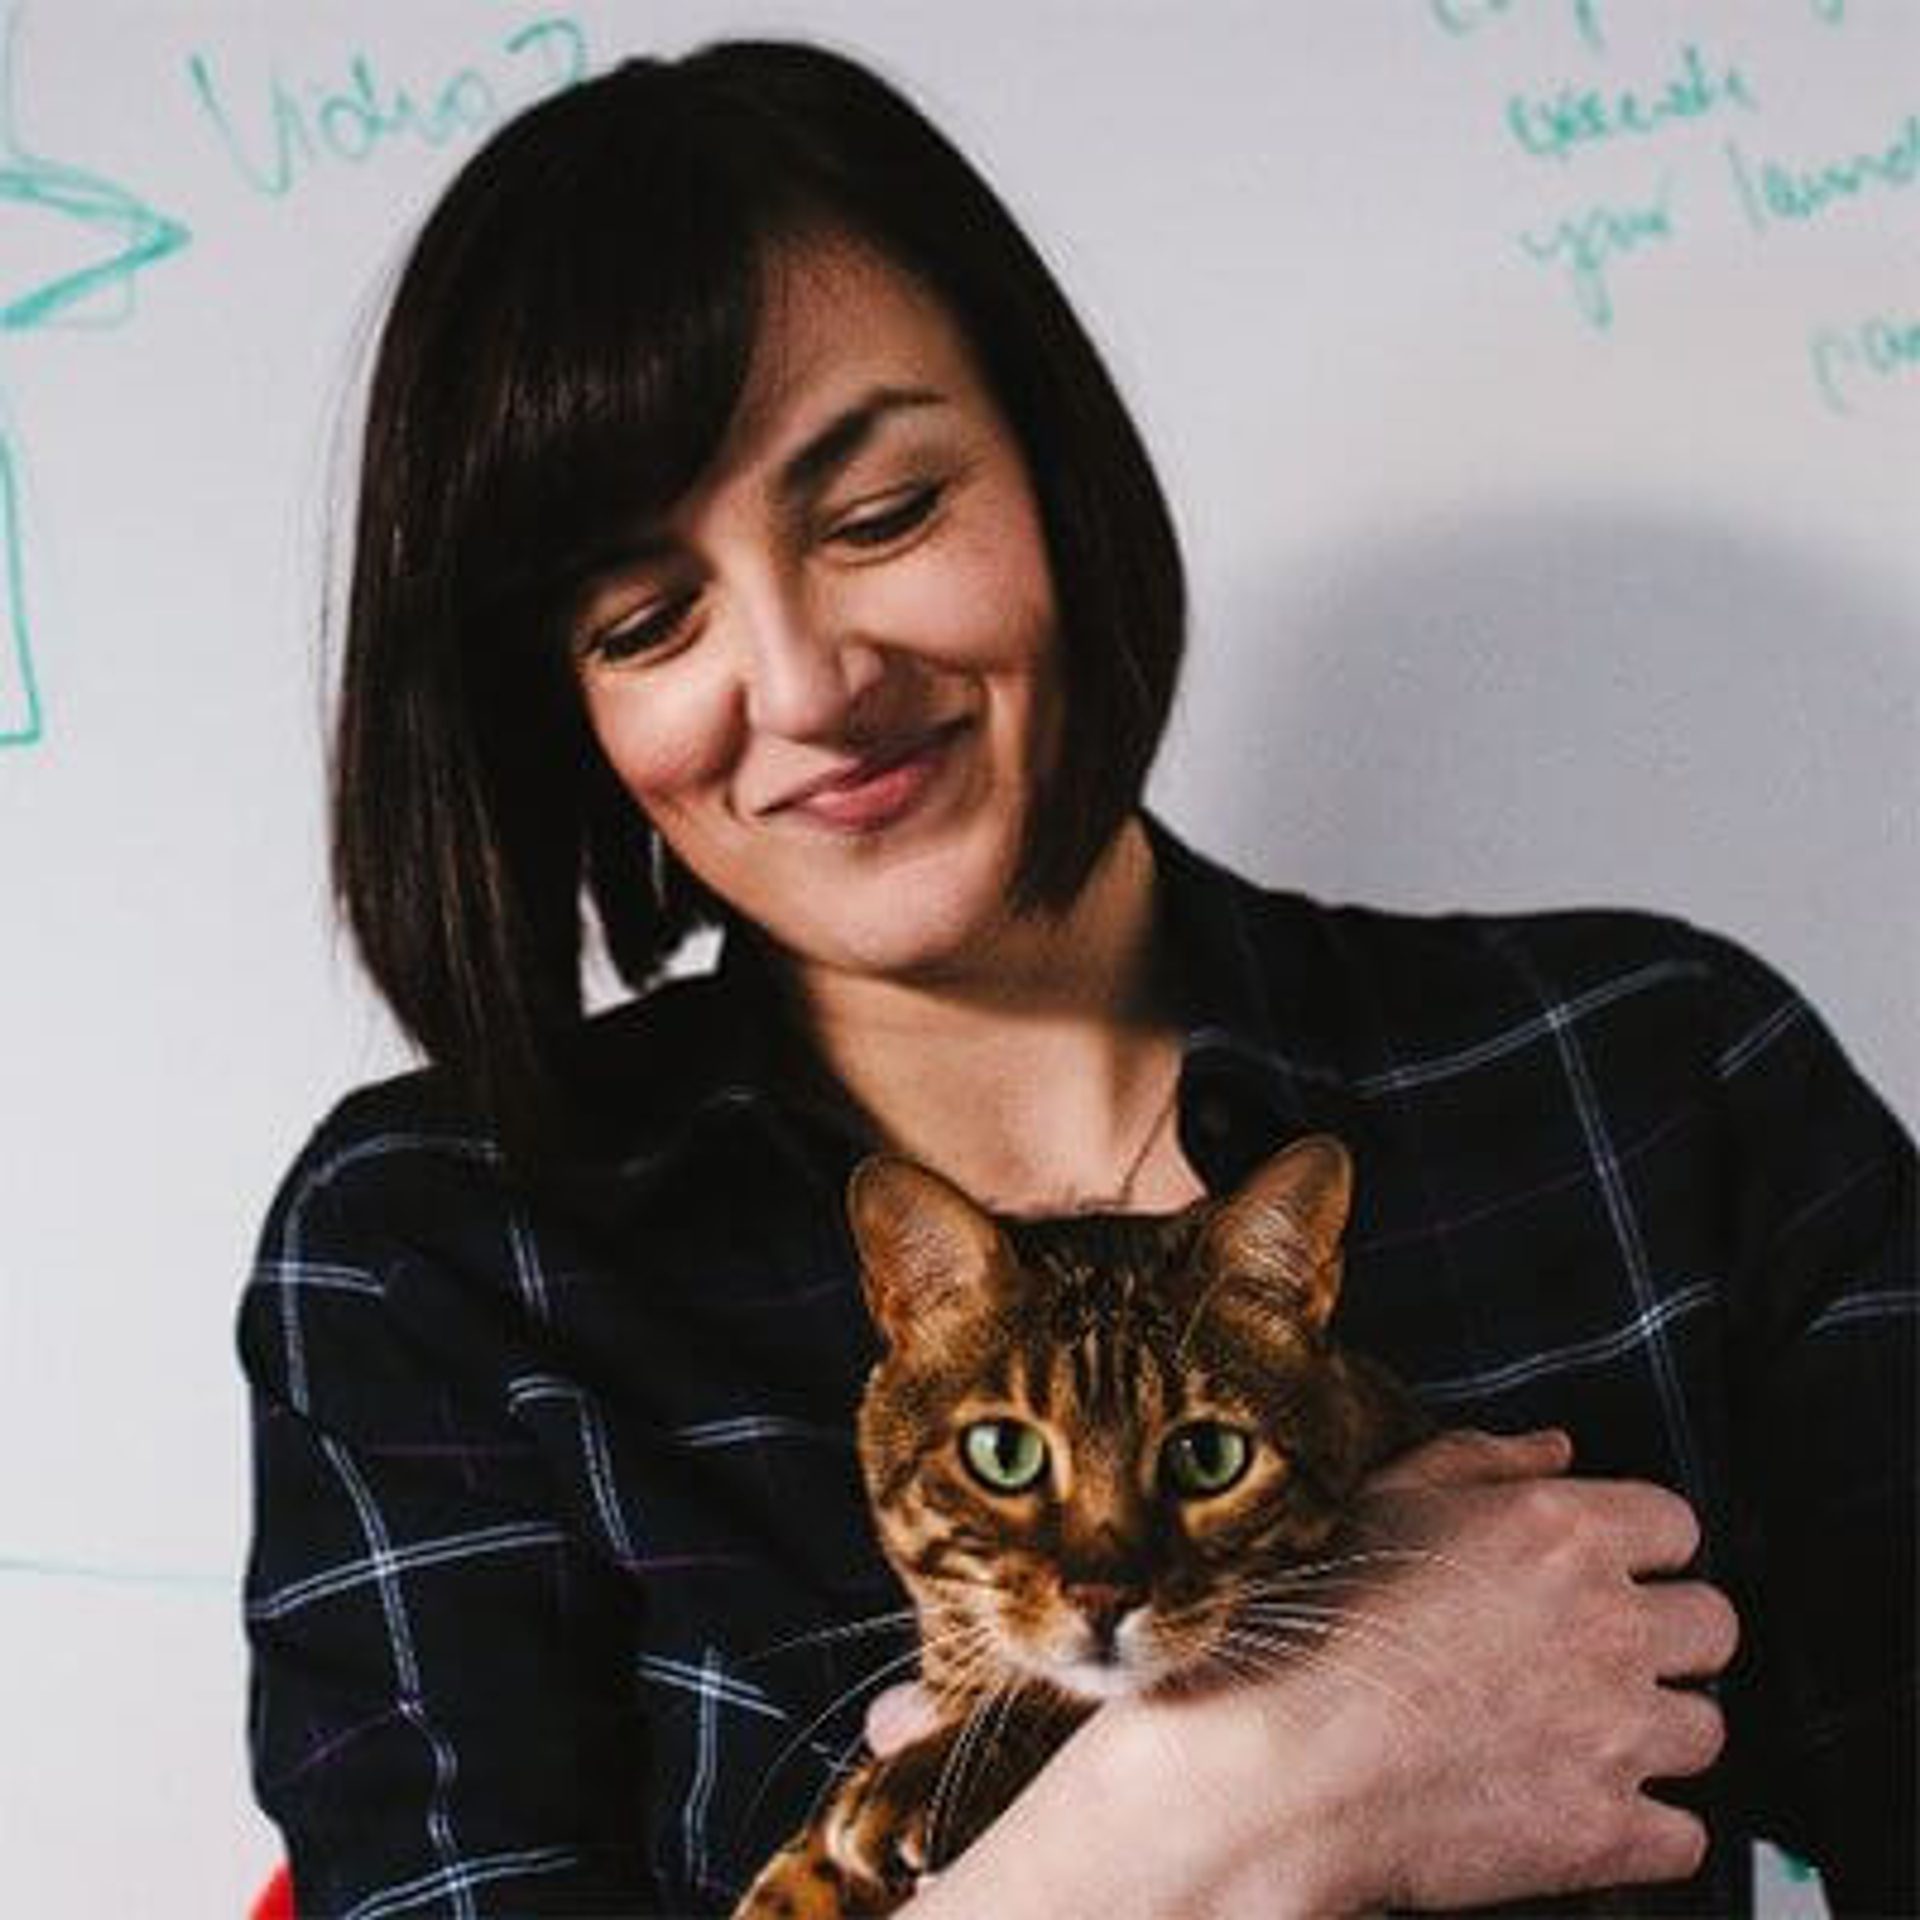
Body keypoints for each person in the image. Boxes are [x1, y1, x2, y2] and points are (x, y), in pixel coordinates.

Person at [239, 40, 1915, 1919]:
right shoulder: (437, 1265)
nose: (803, 687)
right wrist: (1219, 1812)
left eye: (879, 516)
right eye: (647, 621)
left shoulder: (1659, 1087)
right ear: (560, 711)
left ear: (1053, 466)